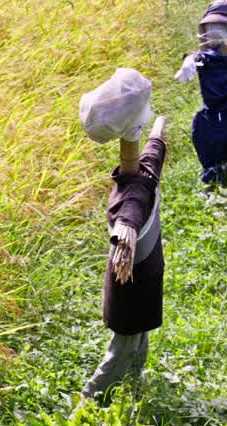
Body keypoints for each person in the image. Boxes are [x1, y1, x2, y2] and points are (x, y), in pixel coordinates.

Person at [83, 115, 169, 400]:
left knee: (139, 339)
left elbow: (153, 151)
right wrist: (124, 238)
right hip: (130, 287)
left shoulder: (145, 175)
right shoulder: (132, 196)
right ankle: (92, 398)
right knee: (121, 349)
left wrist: (159, 125)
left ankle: (133, 383)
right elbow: (128, 219)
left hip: (143, 284)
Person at [178, 0, 227, 184]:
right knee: (208, 133)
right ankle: (213, 168)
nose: (217, 31)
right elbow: (194, 56)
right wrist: (189, 61)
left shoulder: (226, 52)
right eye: (213, 26)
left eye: (223, 27)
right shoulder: (204, 57)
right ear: (204, 29)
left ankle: (224, 163)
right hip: (213, 102)